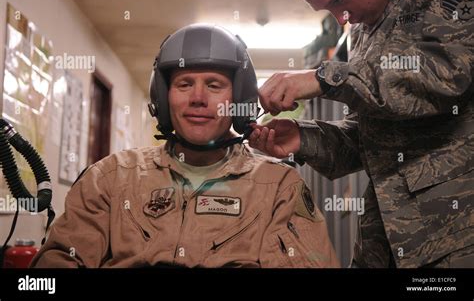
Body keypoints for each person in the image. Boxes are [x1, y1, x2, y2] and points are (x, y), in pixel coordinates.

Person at [30, 24, 339, 268]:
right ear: (164, 99)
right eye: (184, 84)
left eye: (214, 85)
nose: (198, 98)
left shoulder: (279, 189)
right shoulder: (108, 179)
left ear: (240, 99)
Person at [249, 0, 473, 268]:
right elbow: (367, 139)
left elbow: (448, 73)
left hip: (456, 237)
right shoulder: (363, 27)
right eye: (327, 8)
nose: (340, 18)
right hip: (387, 239)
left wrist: (325, 77)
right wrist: (303, 138)